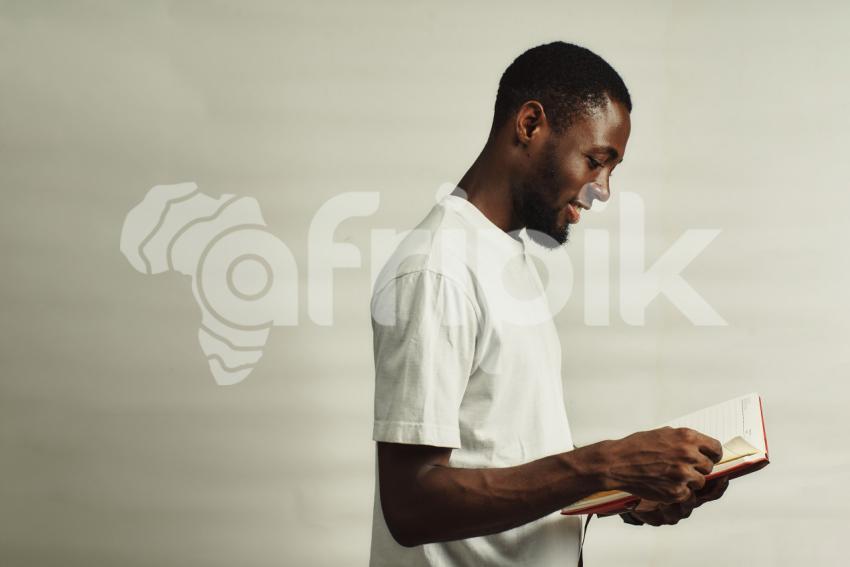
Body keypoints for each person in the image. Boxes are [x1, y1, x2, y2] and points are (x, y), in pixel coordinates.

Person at [368, 42, 729, 567]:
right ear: (531, 123)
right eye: (596, 160)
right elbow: (412, 504)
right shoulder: (437, 268)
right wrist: (607, 464)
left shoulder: (507, 258)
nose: (603, 189)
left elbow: (505, 456)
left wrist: (629, 493)